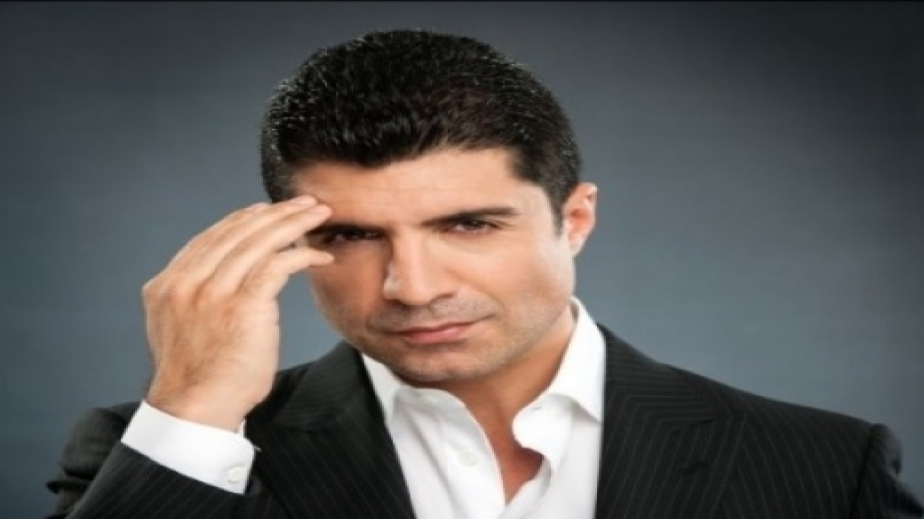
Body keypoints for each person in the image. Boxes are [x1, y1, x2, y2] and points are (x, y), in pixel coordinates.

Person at [47, 29, 921, 519]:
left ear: (574, 219)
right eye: (352, 234)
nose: (413, 285)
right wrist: (193, 410)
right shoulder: (160, 454)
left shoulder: (824, 467)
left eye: (468, 224)